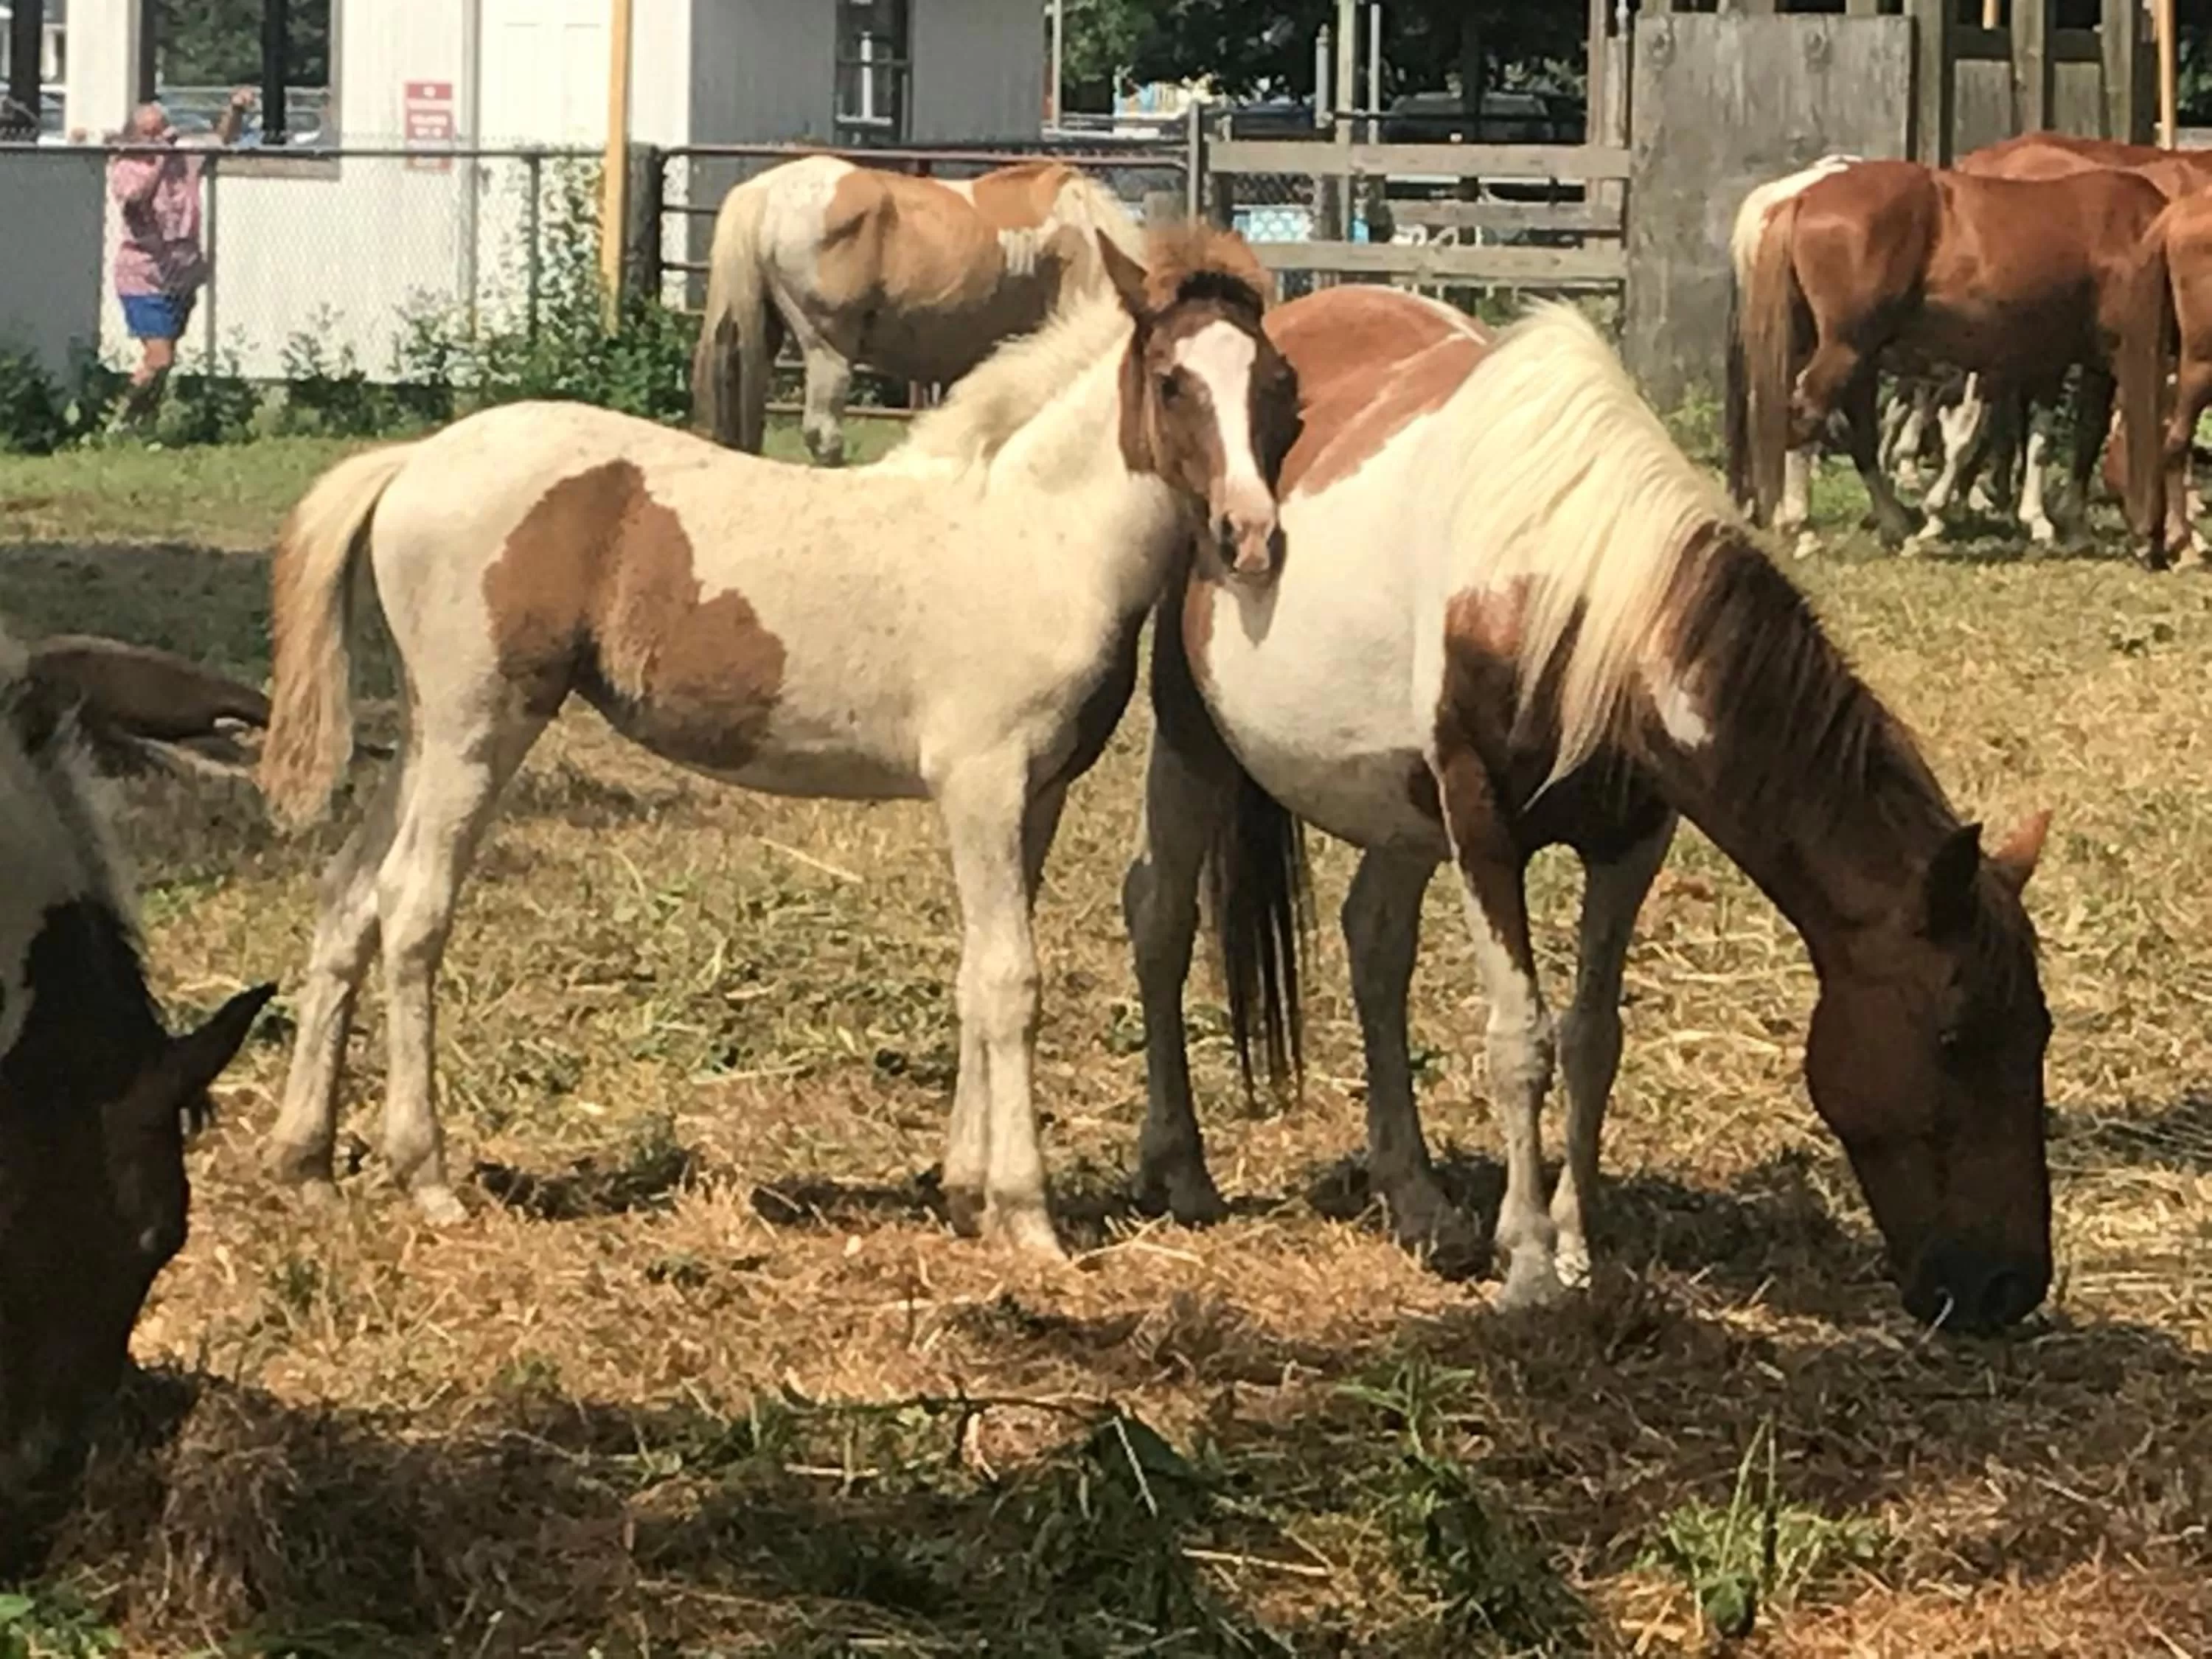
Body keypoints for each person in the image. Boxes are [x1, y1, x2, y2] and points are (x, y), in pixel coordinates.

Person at [108, 88, 253, 426]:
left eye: (163, 129)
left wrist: (235, 110)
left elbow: (222, 139)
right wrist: (158, 157)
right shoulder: (126, 166)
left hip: (181, 274)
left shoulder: (184, 159)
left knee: (164, 361)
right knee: (158, 358)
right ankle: (118, 419)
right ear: (133, 136)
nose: (161, 137)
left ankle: (141, 424)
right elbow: (134, 198)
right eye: (150, 133)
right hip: (144, 275)